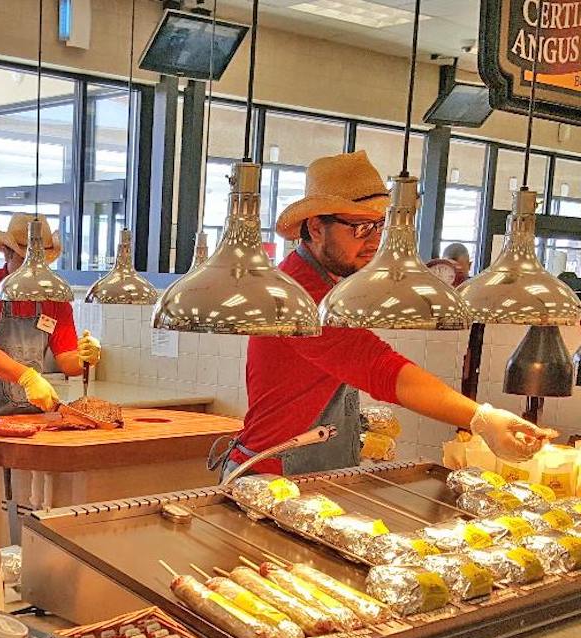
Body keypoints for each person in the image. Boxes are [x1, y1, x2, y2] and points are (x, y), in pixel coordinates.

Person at [212, 151, 554, 479]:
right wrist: (482, 418)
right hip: (270, 474)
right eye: (360, 228)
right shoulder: (299, 294)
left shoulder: (335, 287)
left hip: (313, 470)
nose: (375, 241)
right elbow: (376, 365)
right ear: (316, 228)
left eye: (381, 226)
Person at [0, 213, 101, 539]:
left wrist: (88, 354)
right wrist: (27, 377)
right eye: (26, 258)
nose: (36, 268)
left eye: (43, 261)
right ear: (5, 253)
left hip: (31, 425)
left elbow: (68, 361)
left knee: (24, 511)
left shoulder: (53, 297)